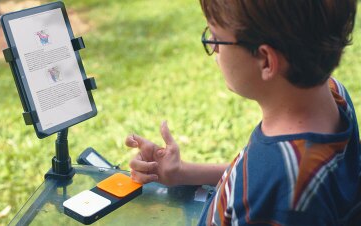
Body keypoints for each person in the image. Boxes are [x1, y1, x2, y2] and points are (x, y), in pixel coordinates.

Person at [125, 0, 361, 225]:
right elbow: (253, 181)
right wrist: (182, 173)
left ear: (266, 61)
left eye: (217, 39)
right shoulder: (331, 94)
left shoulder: (281, 184)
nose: (214, 48)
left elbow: (268, 186)